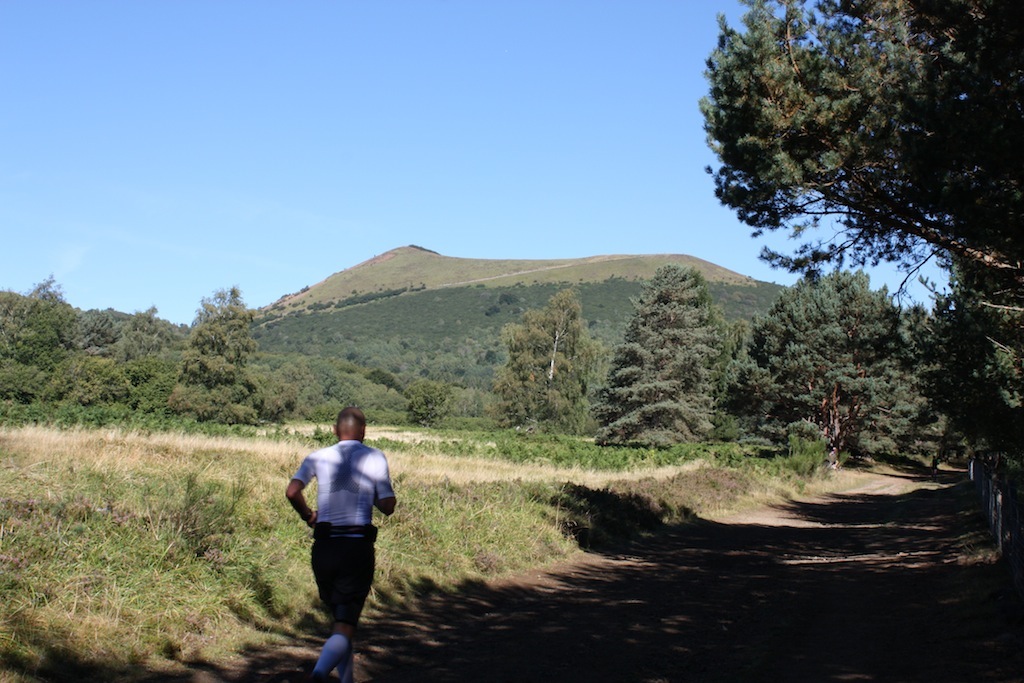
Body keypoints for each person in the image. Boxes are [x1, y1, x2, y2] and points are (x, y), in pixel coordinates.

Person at [286, 406, 397, 683]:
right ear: (364, 431)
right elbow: (387, 506)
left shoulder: (317, 457)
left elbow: (292, 491)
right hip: (355, 548)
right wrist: (369, 493)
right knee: (346, 624)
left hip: (323, 548)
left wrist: (308, 515)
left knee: (340, 622)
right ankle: (320, 674)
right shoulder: (374, 456)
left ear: (335, 430)